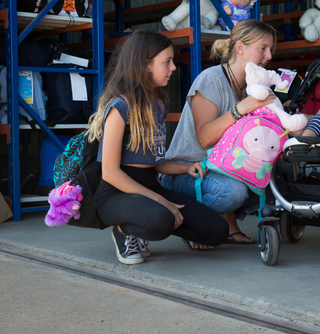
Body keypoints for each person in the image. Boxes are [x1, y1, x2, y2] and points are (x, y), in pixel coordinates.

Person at [87, 30, 228, 265]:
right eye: (167, 62)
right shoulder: (120, 107)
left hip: (150, 186)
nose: (173, 67)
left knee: (216, 231)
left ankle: (156, 221)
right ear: (145, 65)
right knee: (161, 219)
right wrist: (160, 201)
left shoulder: (157, 103)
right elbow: (110, 172)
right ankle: (124, 231)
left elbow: (154, 162)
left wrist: (185, 169)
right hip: (115, 195)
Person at [161, 19, 277, 246]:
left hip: (223, 168)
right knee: (232, 192)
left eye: (271, 49)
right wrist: (241, 108)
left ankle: (229, 225)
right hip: (186, 172)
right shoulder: (211, 78)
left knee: (273, 177)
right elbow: (205, 138)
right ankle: (195, 226)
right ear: (240, 48)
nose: (269, 56)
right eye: (263, 48)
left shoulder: (255, 86)